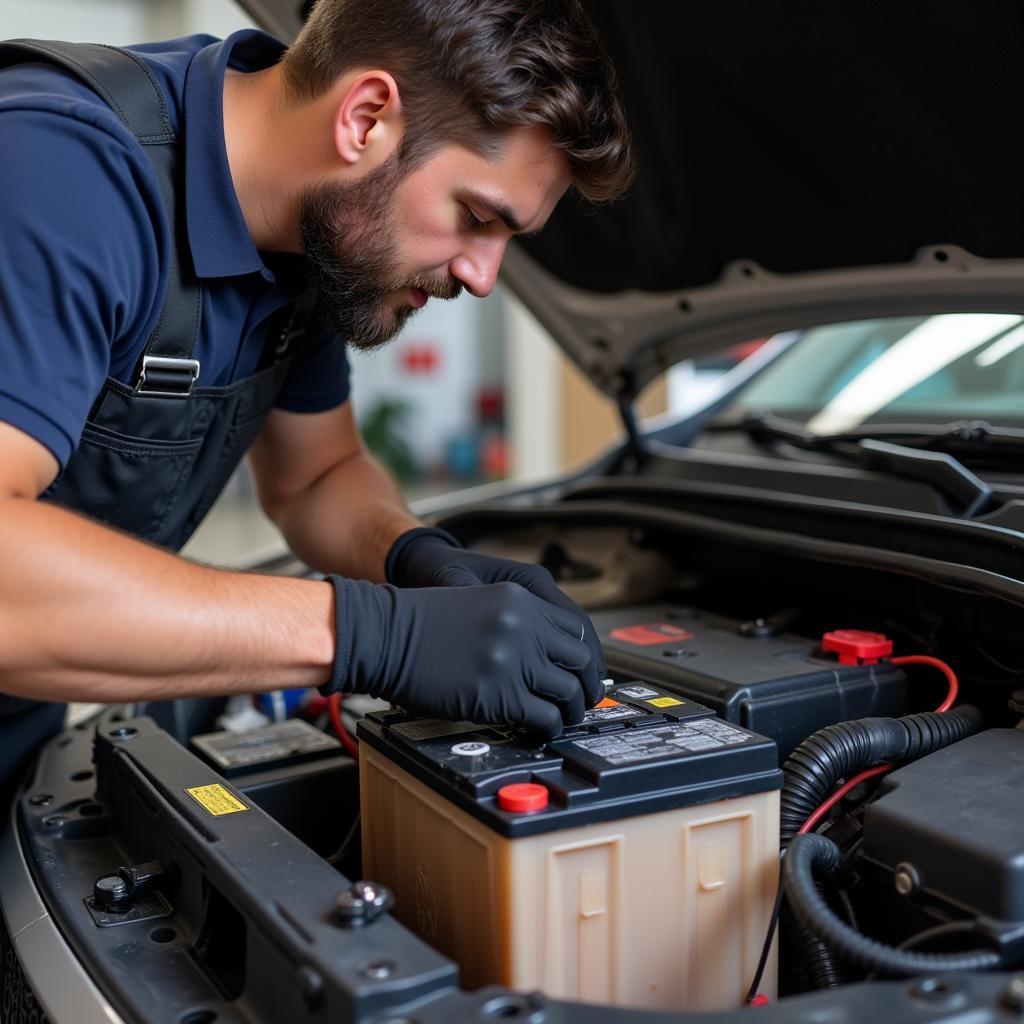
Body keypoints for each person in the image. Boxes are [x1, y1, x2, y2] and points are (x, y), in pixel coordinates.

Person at [0, 0, 634, 798]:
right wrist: (370, 633)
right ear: (365, 118)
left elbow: (316, 475)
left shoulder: (313, 232)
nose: (483, 276)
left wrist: (414, 558)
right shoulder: (61, 173)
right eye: (475, 217)